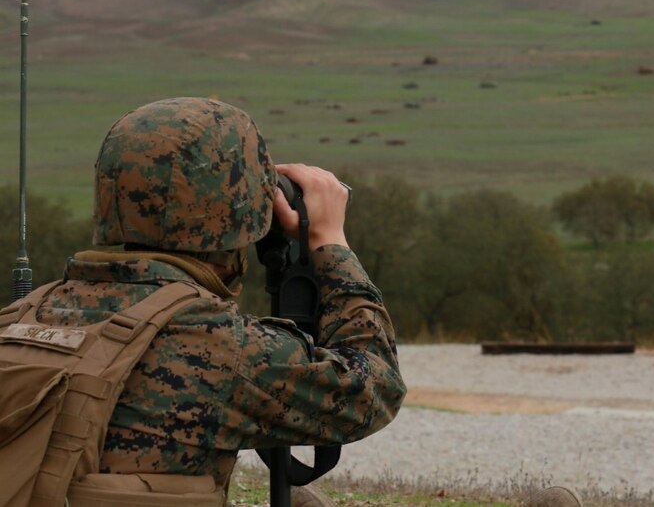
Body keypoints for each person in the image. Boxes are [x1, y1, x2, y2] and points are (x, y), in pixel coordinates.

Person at [9, 97, 405, 504]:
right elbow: (374, 390)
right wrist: (329, 242)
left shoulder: (19, 318)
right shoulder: (216, 343)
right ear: (241, 213)